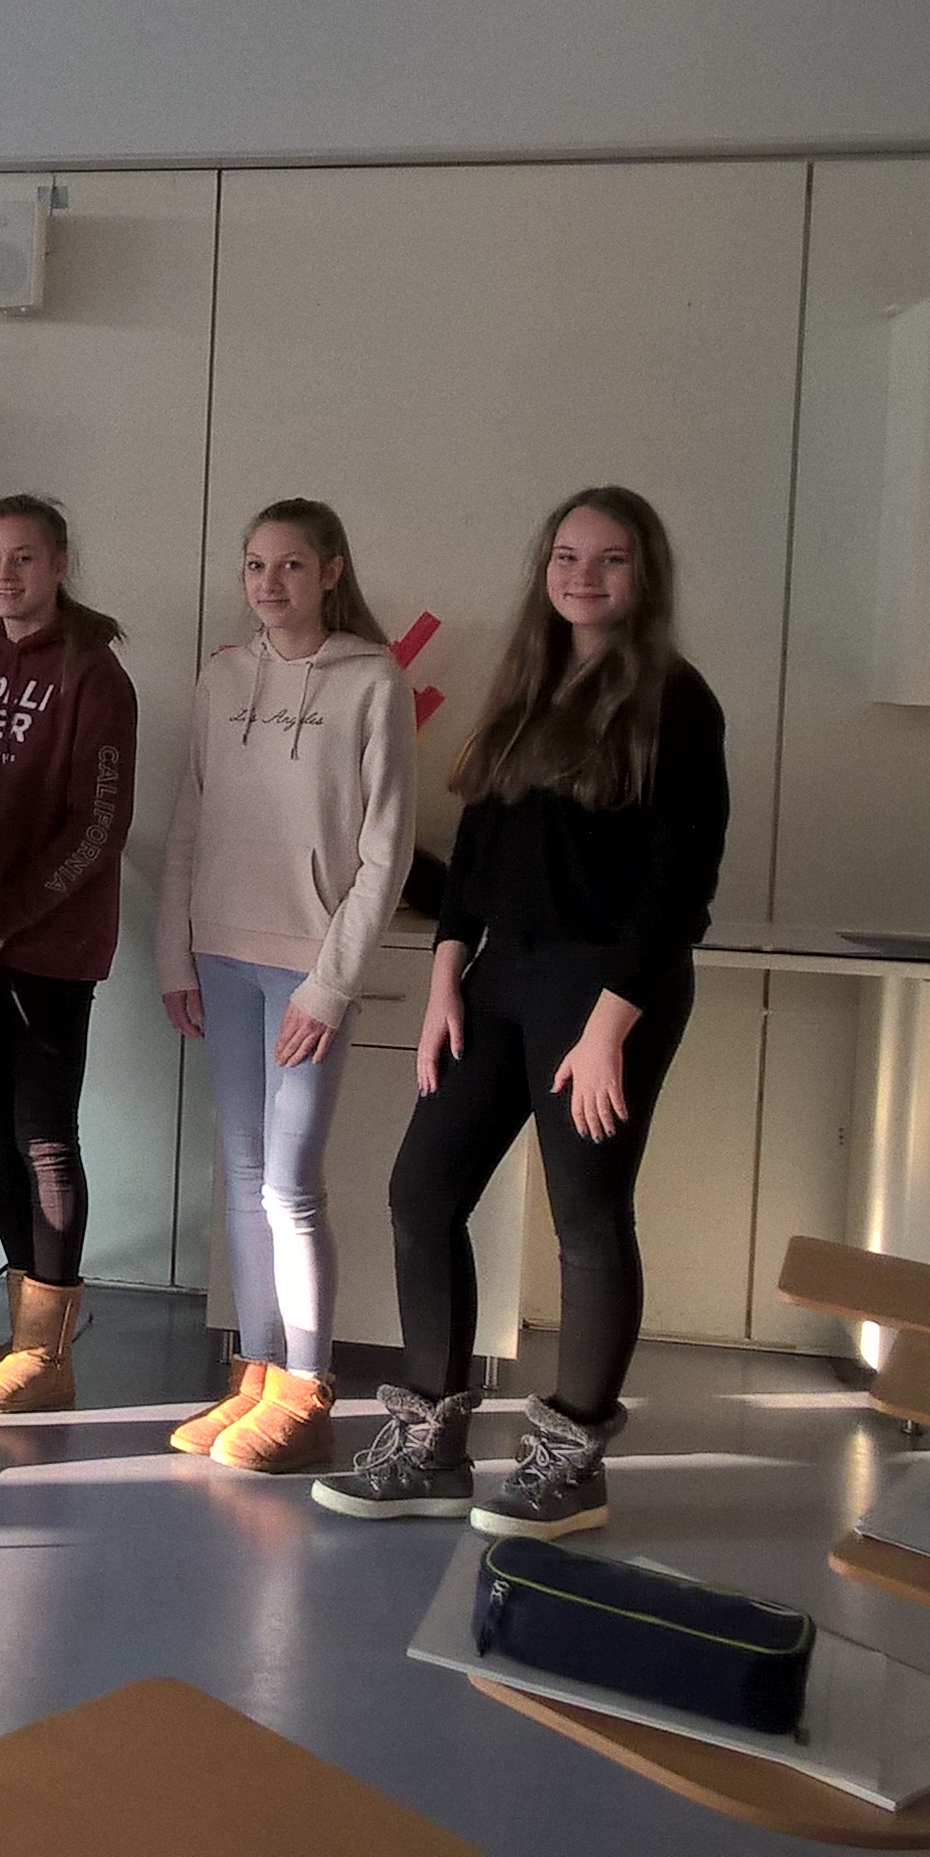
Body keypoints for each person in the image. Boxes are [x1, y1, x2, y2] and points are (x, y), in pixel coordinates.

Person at [315, 486, 725, 1540]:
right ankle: (429, 1448)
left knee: (587, 1217)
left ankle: (570, 1467)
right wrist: (448, 975)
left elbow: (680, 886)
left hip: (611, 989)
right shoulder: (528, 687)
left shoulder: (677, 700)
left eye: (610, 558)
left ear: (645, 574)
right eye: (566, 556)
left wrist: (609, 1029)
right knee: (422, 1191)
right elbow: (480, 856)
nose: (584, 576)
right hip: (502, 978)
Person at [155, 499, 413, 1470]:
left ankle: (308, 1389)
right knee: (242, 1173)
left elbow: (385, 853)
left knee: (290, 1187)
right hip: (221, 955)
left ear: (332, 571)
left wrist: (330, 986)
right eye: (256, 565)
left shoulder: (373, 681)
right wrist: (174, 953)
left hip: (308, 969)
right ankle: (256, 1373)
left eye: (292, 565)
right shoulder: (223, 677)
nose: (270, 583)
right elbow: (190, 819)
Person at [0, 496, 136, 1419]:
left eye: (23, 558)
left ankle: (47, 1356)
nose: (5, 574)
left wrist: (1, 926)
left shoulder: (96, 673)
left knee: (43, 1139)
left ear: (59, 564)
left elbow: (98, 828)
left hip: (49, 948)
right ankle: (32, 1335)